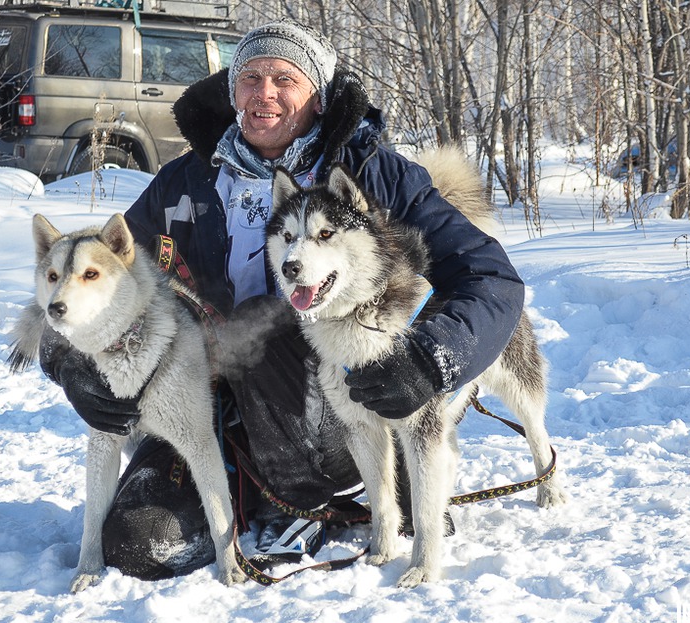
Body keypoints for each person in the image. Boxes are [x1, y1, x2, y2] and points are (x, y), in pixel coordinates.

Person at [38, 20, 526, 580]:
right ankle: (255, 491)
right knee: (139, 543)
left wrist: (429, 360)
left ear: (317, 97)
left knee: (259, 323)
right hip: (205, 409)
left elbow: (492, 279)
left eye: (283, 79)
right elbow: (87, 275)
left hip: (344, 407)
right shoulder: (184, 183)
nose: (263, 93)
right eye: (249, 78)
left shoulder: (375, 176)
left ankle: (321, 497)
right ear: (232, 92)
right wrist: (72, 364)